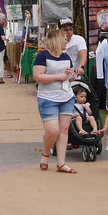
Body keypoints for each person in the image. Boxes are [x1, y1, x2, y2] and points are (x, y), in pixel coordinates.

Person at [33, 27, 77, 174]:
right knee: (52, 130)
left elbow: (70, 77)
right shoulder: (42, 56)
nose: (67, 41)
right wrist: (59, 76)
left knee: (64, 130)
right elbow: (38, 77)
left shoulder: (66, 57)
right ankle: (46, 154)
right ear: (57, 40)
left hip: (66, 96)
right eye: (64, 39)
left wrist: (72, 74)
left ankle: (61, 163)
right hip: (48, 97)